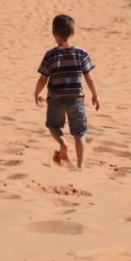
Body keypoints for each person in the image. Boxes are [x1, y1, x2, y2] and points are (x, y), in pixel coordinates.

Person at [34, 14, 99, 169]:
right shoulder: (81, 53)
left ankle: (63, 142)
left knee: (53, 125)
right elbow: (89, 77)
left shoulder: (51, 55)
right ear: (73, 33)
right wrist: (95, 94)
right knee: (79, 133)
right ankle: (81, 165)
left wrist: (36, 93)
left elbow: (43, 78)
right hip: (76, 99)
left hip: (55, 97)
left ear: (54, 34)